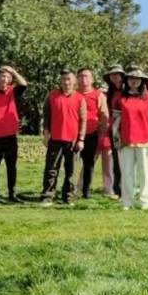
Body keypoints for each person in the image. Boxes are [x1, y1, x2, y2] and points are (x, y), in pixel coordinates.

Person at [40, 68, 86, 205]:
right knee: (51, 169)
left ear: (74, 82)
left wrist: (81, 139)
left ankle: (68, 197)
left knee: (71, 171)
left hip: (72, 141)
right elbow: (46, 115)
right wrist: (46, 132)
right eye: (63, 79)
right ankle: (47, 196)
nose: (66, 82)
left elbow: (83, 120)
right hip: (55, 138)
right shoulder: (52, 96)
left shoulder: (80, 98)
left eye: (69, 79)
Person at [115, 66, 148, 210]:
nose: (134, 81)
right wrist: (117, 138)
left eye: (137, 79)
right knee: (126, 173)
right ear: (127, 80)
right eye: (131, 79)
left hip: (145, 140)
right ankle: (127, 202)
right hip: (126, 140)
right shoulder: (120, 99)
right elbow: (115, 122)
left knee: (145, 173)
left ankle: (146, 201)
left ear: (142, 81)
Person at [0, 64, 26, 204]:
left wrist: (13, 70)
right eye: (3, 75)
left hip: (10, 135)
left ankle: (12, 194)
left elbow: (24, 84)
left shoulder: (13, 91)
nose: (5, 79)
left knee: (11, 166)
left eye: (8, 77)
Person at [76, 67, 105, 200]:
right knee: (72, 165)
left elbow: (104, 117)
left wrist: (102, 136)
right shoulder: (73, 94)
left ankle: (86, 192)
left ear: (92, 79)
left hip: (92, 134)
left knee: (89, 165)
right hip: (73, 135)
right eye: (81, 76)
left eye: (86, 76)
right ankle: (71, 190)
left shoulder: (98, 95)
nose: (83, 79)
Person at [100, 64, 125, 199]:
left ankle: (128, 186)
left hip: (127, 126)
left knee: (127, 158)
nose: (115, 77)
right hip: (114, 127)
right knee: (116, 157)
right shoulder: (109, 92)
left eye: (117, 74)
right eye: (112, 75)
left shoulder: (128, 90)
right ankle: (117, 188)